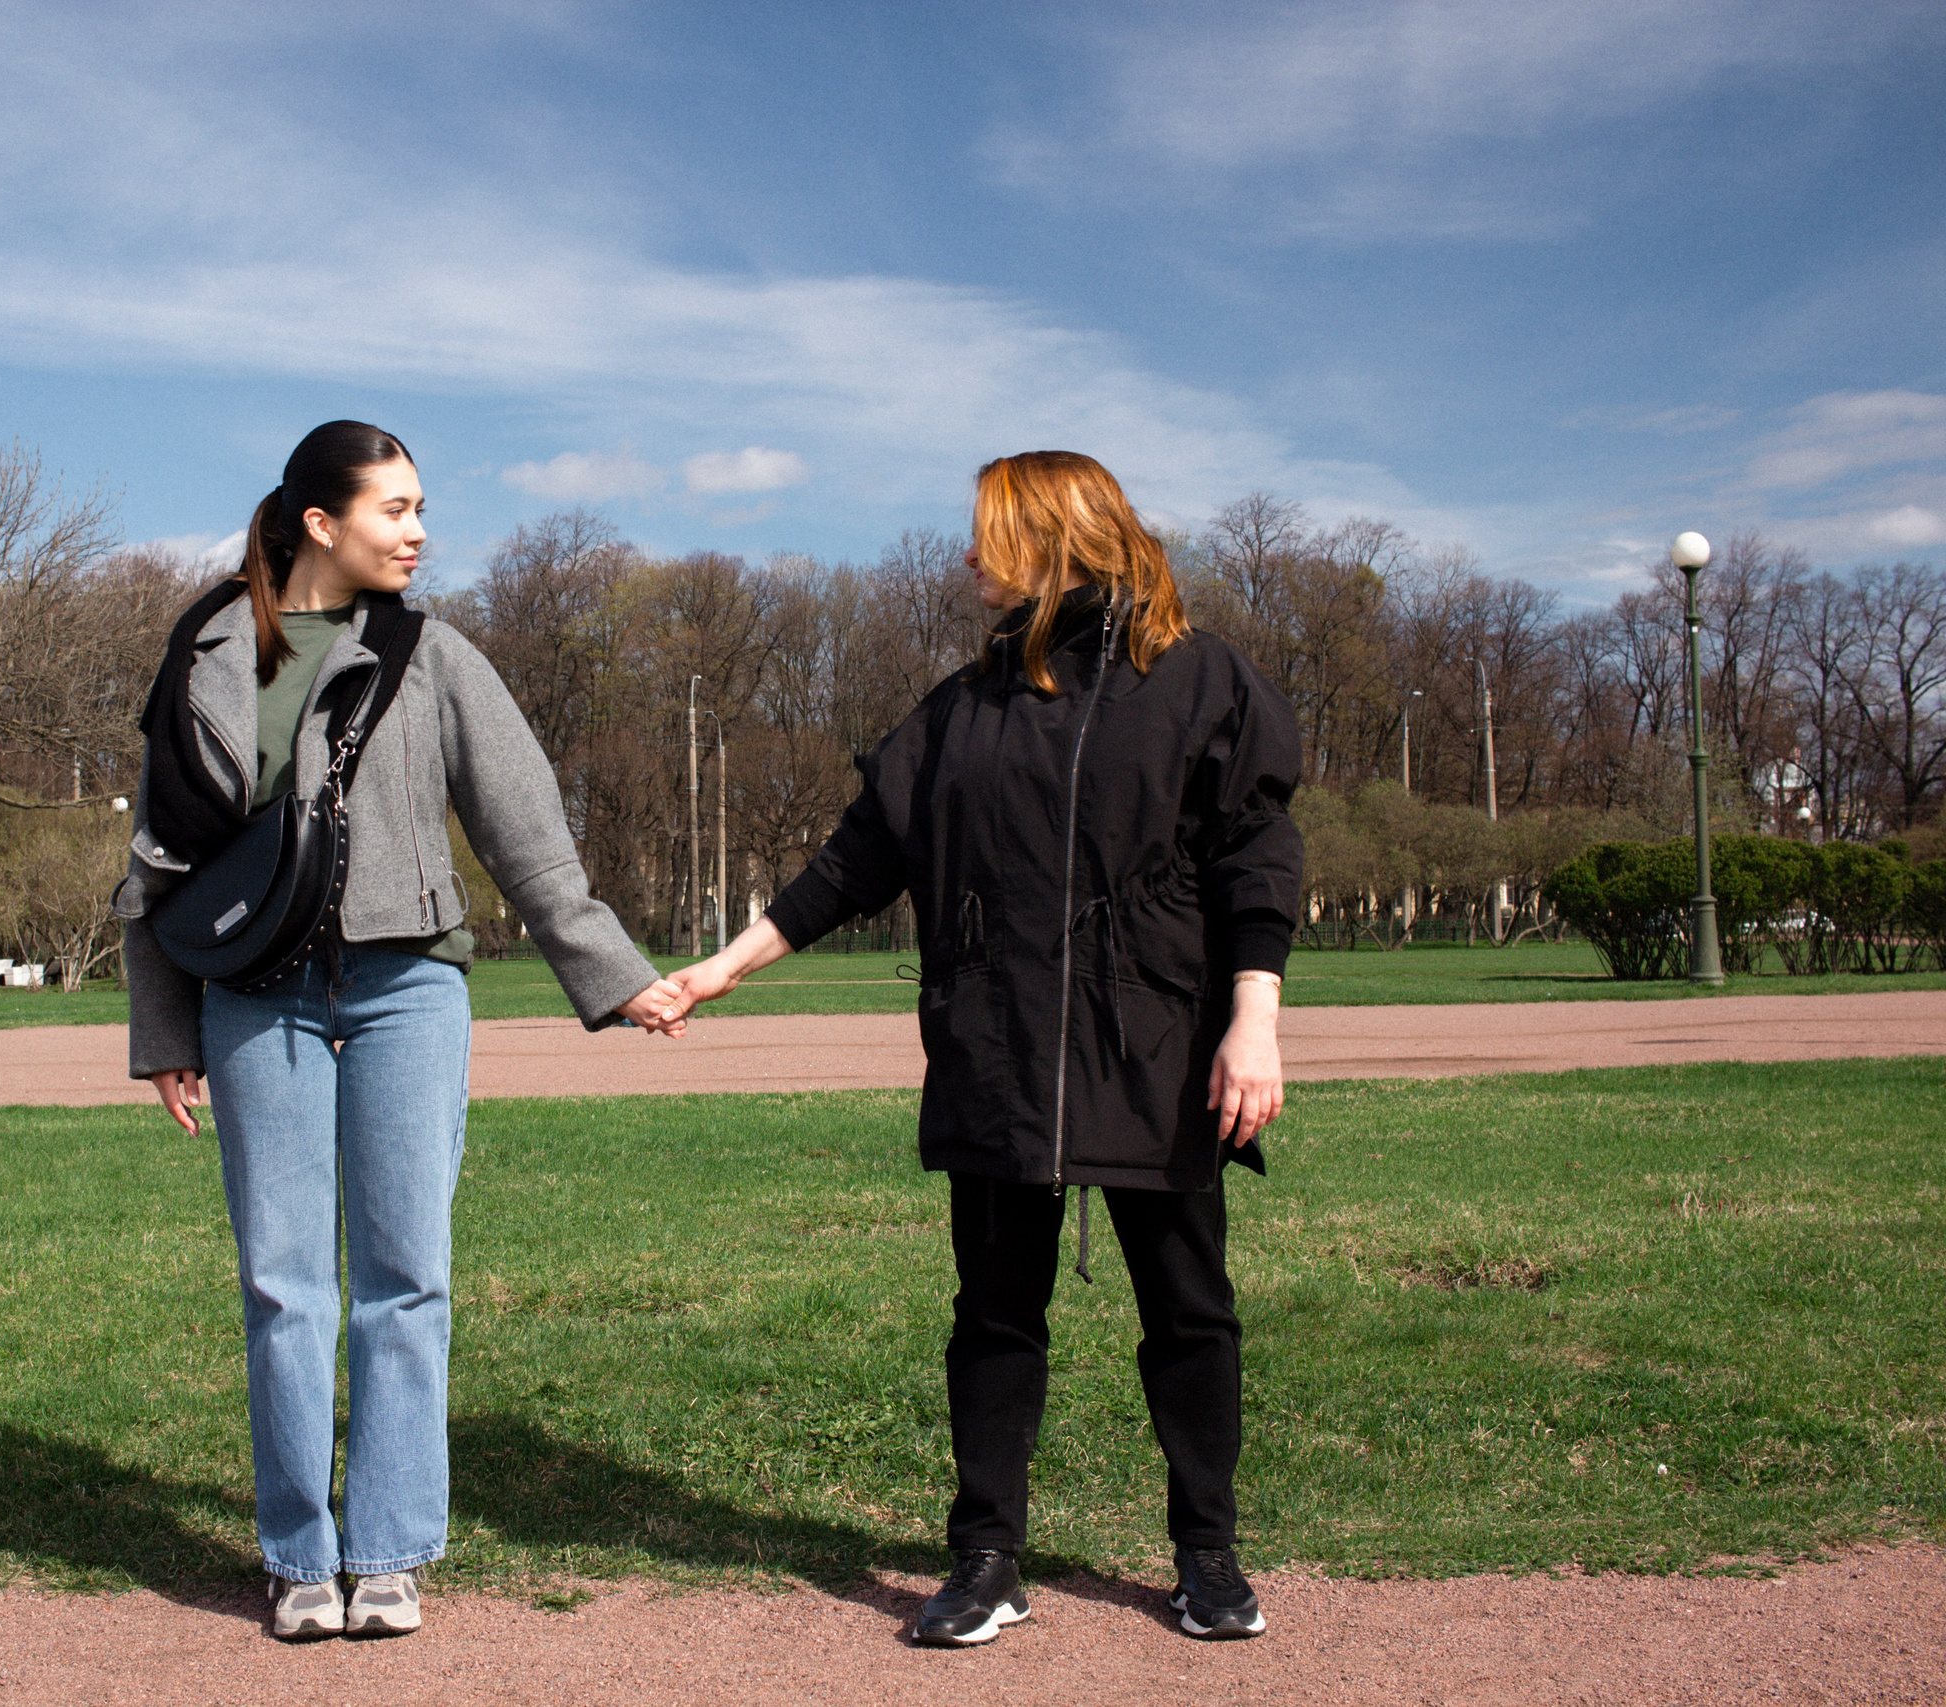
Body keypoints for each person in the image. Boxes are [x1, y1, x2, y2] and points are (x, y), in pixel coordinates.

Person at [665, 450, 1302, 1645]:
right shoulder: (962, 708)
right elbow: (854, 863)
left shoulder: (1197, 679)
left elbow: (1254, 858)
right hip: (996, 1053)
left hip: (1157, 1050)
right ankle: (985, 1558)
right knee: (995, 1315)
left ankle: (1208, 1557)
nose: (966, 554)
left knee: (1189, 1309)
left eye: (986, 532)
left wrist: (1252, 1021)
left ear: (1052, 539)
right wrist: (719, 970)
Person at [115, 421, 686, 1641]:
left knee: (404, 1279)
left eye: (421, 508)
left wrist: (613, 975)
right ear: (322, 523)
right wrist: (164, 1024)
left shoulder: (434, 653)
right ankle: (296, 1558)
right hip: (254, 995)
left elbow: (527, 832)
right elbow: (159, 859)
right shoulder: (205, 652)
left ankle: (386, 1554)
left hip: (407, 988)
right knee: (283, 1287)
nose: (419, 531)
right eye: (396, 509)